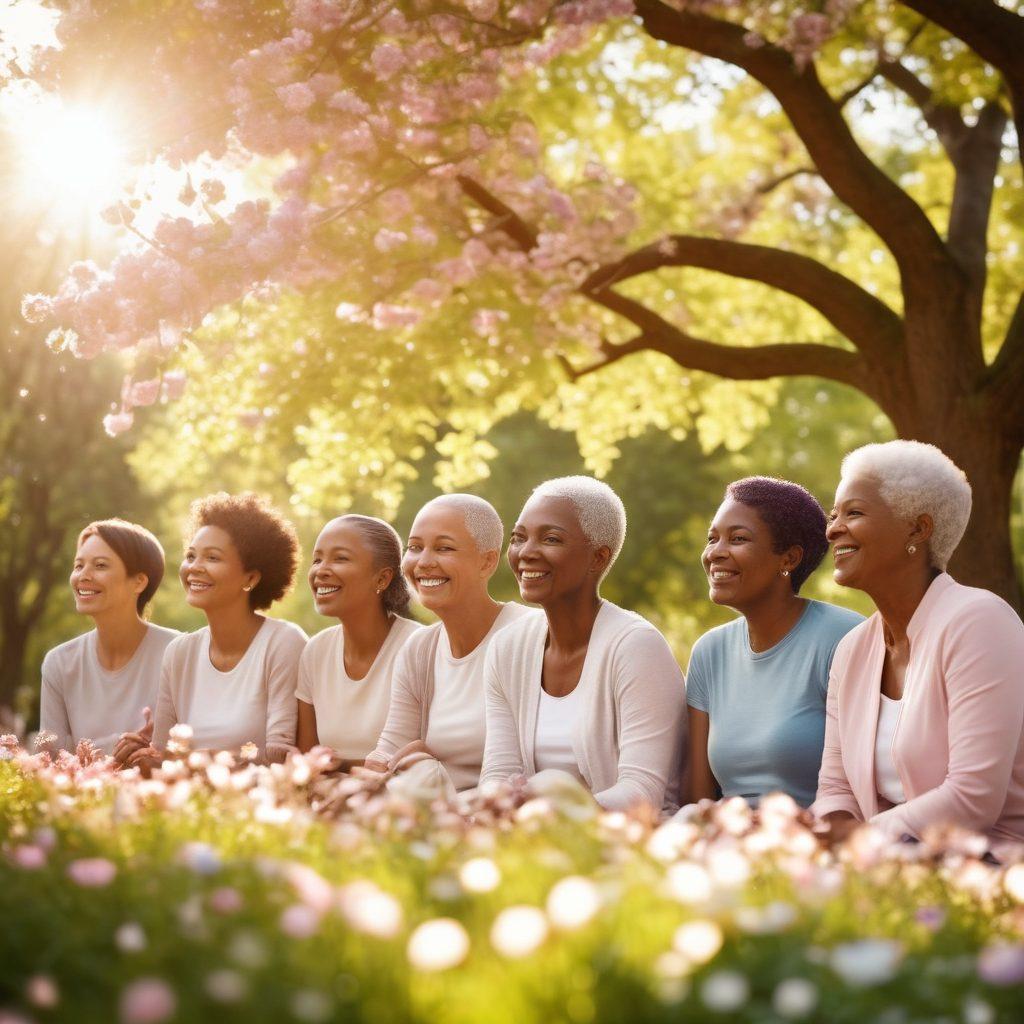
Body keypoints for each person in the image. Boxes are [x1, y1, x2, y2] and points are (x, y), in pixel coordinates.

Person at [812, 441, 1024, 854]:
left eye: (853, 512)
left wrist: (862, 842)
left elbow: (972, 797)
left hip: (993, 869)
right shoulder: (852, 650)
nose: (833, 528)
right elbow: (836, 790)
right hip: (887, 869)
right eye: (834, 514)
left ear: (917, 528)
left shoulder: (980, 621)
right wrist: (835, 841)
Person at [480, 476, 688, 814]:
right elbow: (498, 774)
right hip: (534, 839)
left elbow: (643, 793)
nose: (526, 552)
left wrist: (545, 806)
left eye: (550, 539)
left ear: (598, 558)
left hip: (632, 842)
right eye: (519, 538)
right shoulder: (507, 648)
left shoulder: (637, 647)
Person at [686, 478, 863, 808]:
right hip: (726, 845)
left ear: (789, 559)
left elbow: (869, 785)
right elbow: (698, 800)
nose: (715, 553)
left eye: (738, 539)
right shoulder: (709, 653)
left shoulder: (846, 638)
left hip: (818, 843)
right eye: (712, 538)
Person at [117, 493, 307, 767]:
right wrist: (139, 754)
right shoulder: (180, 652)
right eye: (190, 556)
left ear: (250, 578)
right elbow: (162, 755)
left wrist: (193, 762)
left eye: (212, 558)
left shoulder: (283, 642)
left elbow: (278, 757)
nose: (194, 567)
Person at [365, 494, 531, 792]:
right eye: (415, 547)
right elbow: (390, 748)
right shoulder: (420, 649)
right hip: (433, 818)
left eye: (444, 548)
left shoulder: (527, 634)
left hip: (504, 817)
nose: (424, 562)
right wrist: (380, 766)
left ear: (487, 561)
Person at [40, 519, 177, 755]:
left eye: (100, 565)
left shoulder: (178, 653)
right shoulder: (60, 663)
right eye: (78, 565)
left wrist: (158, 751)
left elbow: (195, 747)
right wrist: (119, 746)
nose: (83, 575)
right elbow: (49, 760)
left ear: (139, 582)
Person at [296, 515, 422, 769]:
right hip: (326, 802)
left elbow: (422, 759)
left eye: (340, 558)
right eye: (317, 559)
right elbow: (306, 764)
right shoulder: (316, 651)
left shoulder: (418, 646)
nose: (321, 570)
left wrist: (339, 765)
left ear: (382, 579)